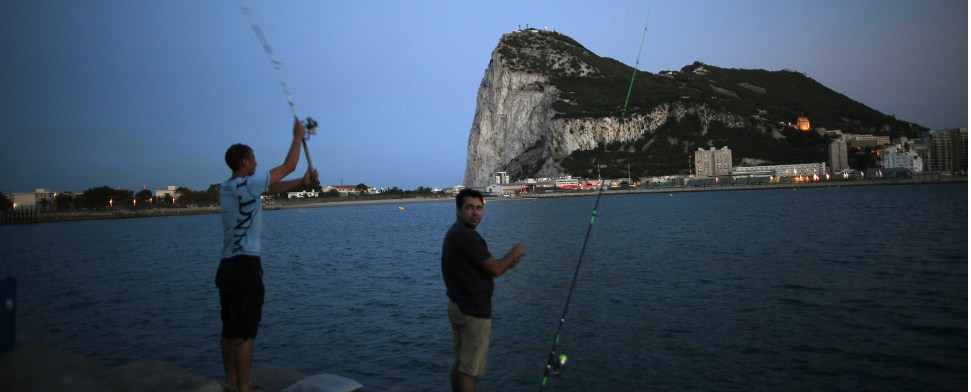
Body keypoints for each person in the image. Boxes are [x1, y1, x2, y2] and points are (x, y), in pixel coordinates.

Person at [216, 118, 318, 392]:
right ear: (245, 162)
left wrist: (303, 182)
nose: (257, 164)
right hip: (246, 266)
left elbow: (270, 188)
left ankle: (230, 382)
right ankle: (245, 387)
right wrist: (297, 137)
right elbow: (288, 166)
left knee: (229, 331)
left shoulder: (227, 188)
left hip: (226, 267)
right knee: (246, 332)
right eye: (254, 160)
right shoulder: (249, 183)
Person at [441, 188, 526, 392]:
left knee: (461, 364)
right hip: (473, 312)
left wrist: (507, 263)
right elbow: (495, 269)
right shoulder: (466, 236)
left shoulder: (456, 233)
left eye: (479, 208)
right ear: (459, 210)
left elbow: (486, 268)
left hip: (459, 306)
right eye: (469, 207)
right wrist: (515, 252)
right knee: (470, 370)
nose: (475, 212)